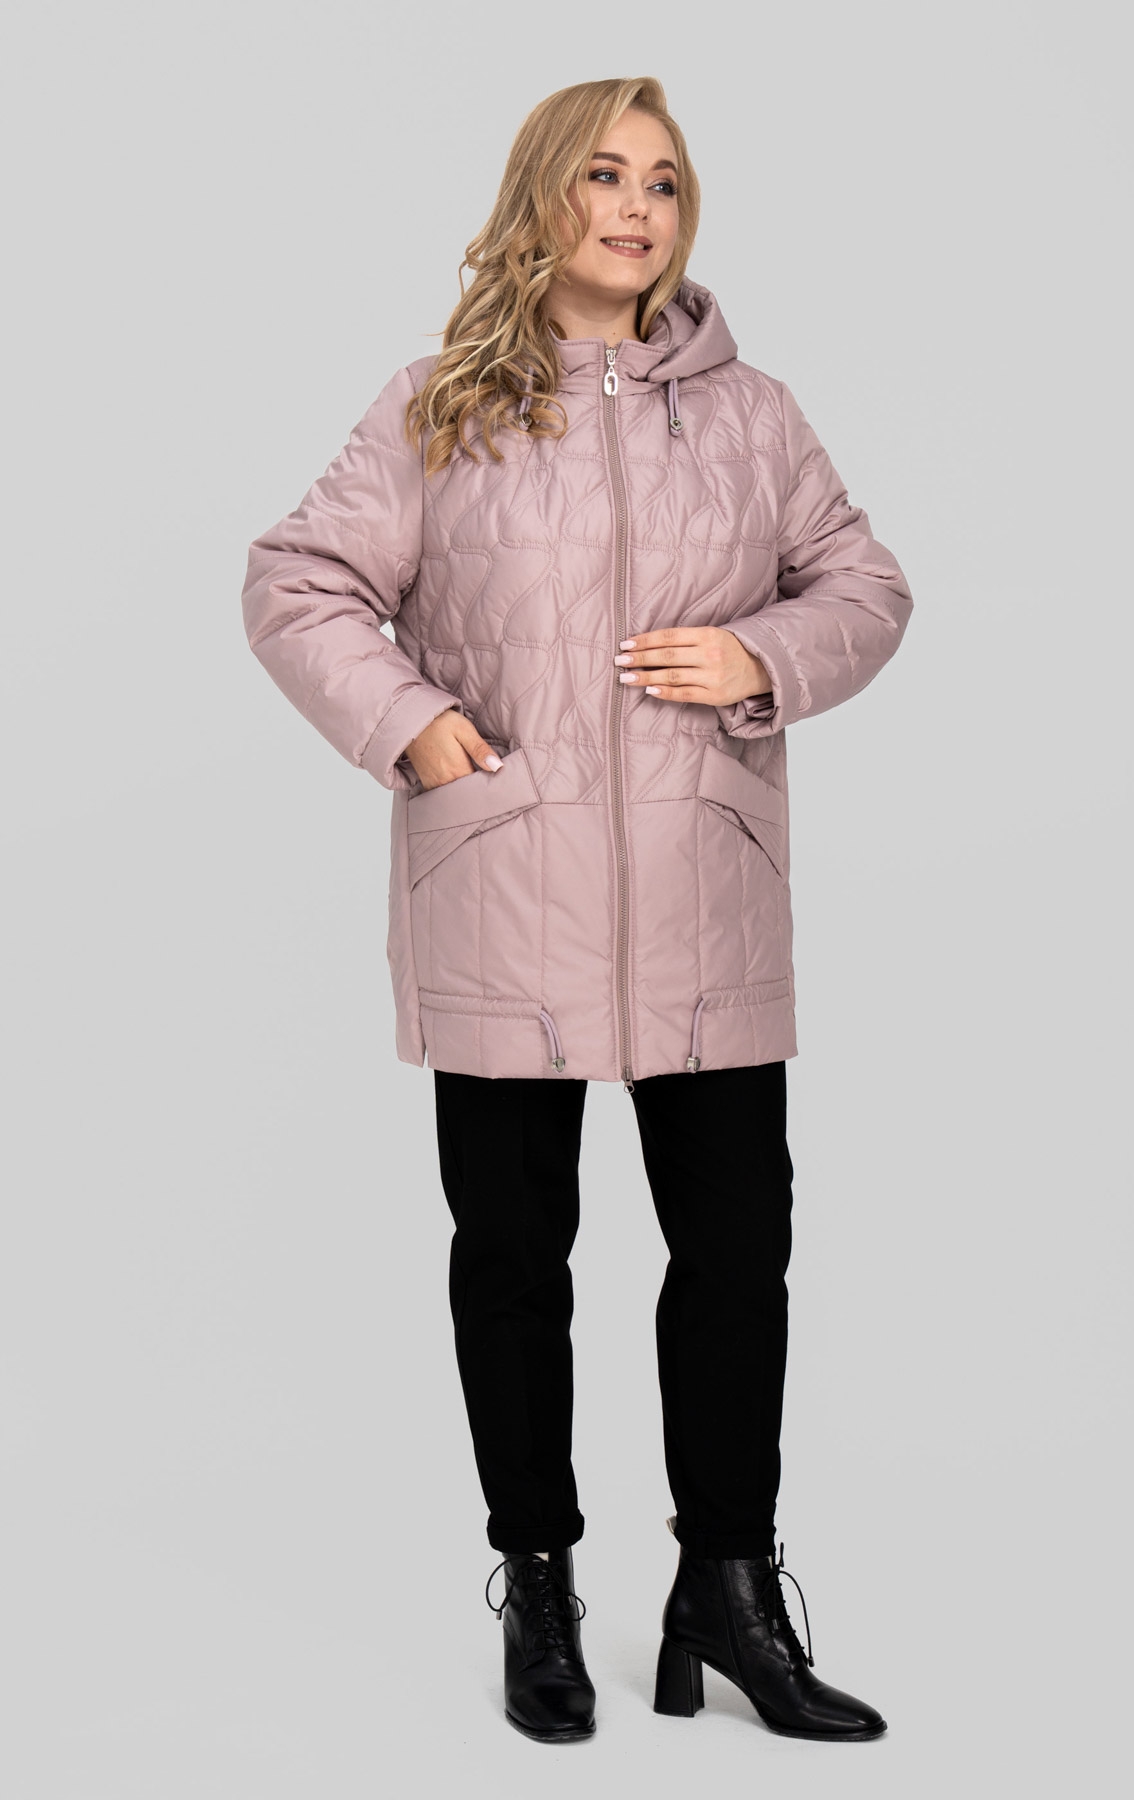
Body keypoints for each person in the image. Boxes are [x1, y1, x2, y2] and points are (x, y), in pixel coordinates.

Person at [241, 76, 913, 1746]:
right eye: (605, 176)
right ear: (544, 196)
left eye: (665, 183)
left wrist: (761, 655)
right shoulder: (440, 406)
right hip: (505, 883)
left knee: (737, 1251)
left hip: (703, 891)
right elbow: (297, 580)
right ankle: (538, 1587)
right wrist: (413, 724)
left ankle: (728, 1591)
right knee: (514, 1257)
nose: (636, 209)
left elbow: (866, 585)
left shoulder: (753, 415)